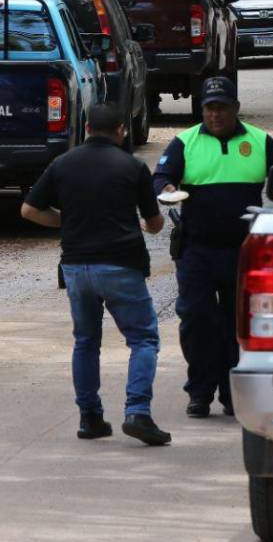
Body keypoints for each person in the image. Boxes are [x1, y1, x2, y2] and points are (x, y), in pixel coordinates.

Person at [21, 103, 171, 446]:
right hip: (121, 265)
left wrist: (67, 221)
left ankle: (90, 418)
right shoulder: (132, 167)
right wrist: (159, 217)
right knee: (143, 339)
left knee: (86, 341)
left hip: (76, 267)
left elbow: (29, 209)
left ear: (87, 129)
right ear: (120, 130)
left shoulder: (62, 164)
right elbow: (154, 224)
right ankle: (137, 412)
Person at [154, 76, 273, 418]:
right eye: (209, 108)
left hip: (243, 251)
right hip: (196, 250)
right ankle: (199, 391)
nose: (216, 115)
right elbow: (159, 178)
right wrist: (168, 185)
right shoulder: (185, 141)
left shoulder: (260, 140)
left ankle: (233, 394)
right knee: (197, 320)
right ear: (202, 110)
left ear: (236, 109)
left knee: (237, 324)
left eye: (222, 108)